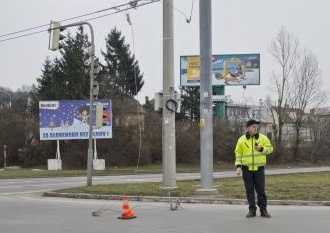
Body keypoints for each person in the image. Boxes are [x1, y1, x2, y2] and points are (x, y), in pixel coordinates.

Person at [234, 119, 273, 218]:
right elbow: (238, 154)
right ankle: (252, 210)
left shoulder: (263, 138)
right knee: (249, 190)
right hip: (246, 169)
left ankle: (263, 210)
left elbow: (270, 149)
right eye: (254, 127)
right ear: (248, 128)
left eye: (257, 127)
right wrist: (238, 167)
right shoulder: (242, 139)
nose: (256, 128)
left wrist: (261, 149)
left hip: (259, 169)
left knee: (261, 190)